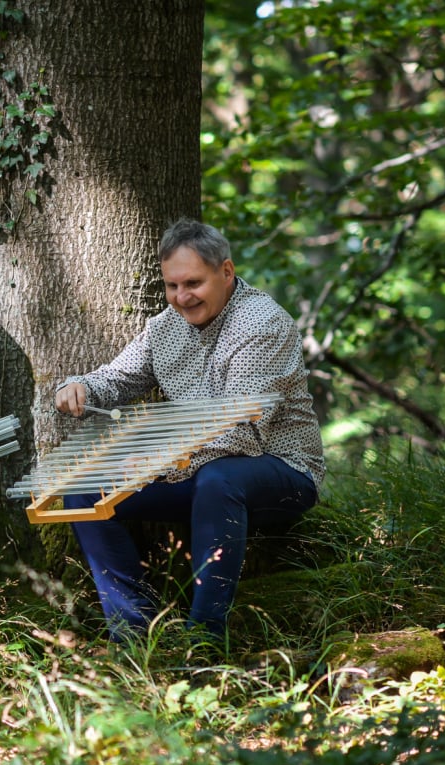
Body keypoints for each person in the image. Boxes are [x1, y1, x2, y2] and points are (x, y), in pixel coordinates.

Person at [55, 218, 324, 643]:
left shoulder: (262, 324)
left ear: (227, 272)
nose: (182, 297)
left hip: (279, 470)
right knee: (85, 490)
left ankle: (205, 638)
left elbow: (241, 435)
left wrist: (158, 463)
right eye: (172, 286)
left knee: (219, 479)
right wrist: (81, 387)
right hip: (190, 472)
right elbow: (120, 378)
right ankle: (134, 633)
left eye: (193, 283)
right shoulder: (165, 327)